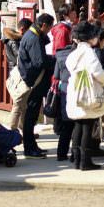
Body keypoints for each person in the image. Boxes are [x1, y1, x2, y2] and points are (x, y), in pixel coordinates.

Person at [64, 21, 104, 171]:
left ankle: (76, 159)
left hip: (75, 90)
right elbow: (97, 72)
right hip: (88, 92)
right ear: (90, 37)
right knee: (87, 127)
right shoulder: (89, 52)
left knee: (78, 125)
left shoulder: (74, 53)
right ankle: (85, 161)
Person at [17, 13, 54, 158]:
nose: (49, 30)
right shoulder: (33, 38)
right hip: (34, 82)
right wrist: (54, 60)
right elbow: (40, 62)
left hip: (33, 80)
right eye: (49, 27)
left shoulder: (32, 34)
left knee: (31, 117)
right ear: (44, 25)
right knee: (30, 116)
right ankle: (29, 148)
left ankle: (32, 146)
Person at [51, 24, 77, 163]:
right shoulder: (80, 54)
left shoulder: (60, 54)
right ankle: (75, 154)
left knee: (66, 126)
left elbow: (56, 75)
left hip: (64, 92)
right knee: (78, 126)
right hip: (78, 91)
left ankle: (61, 154)